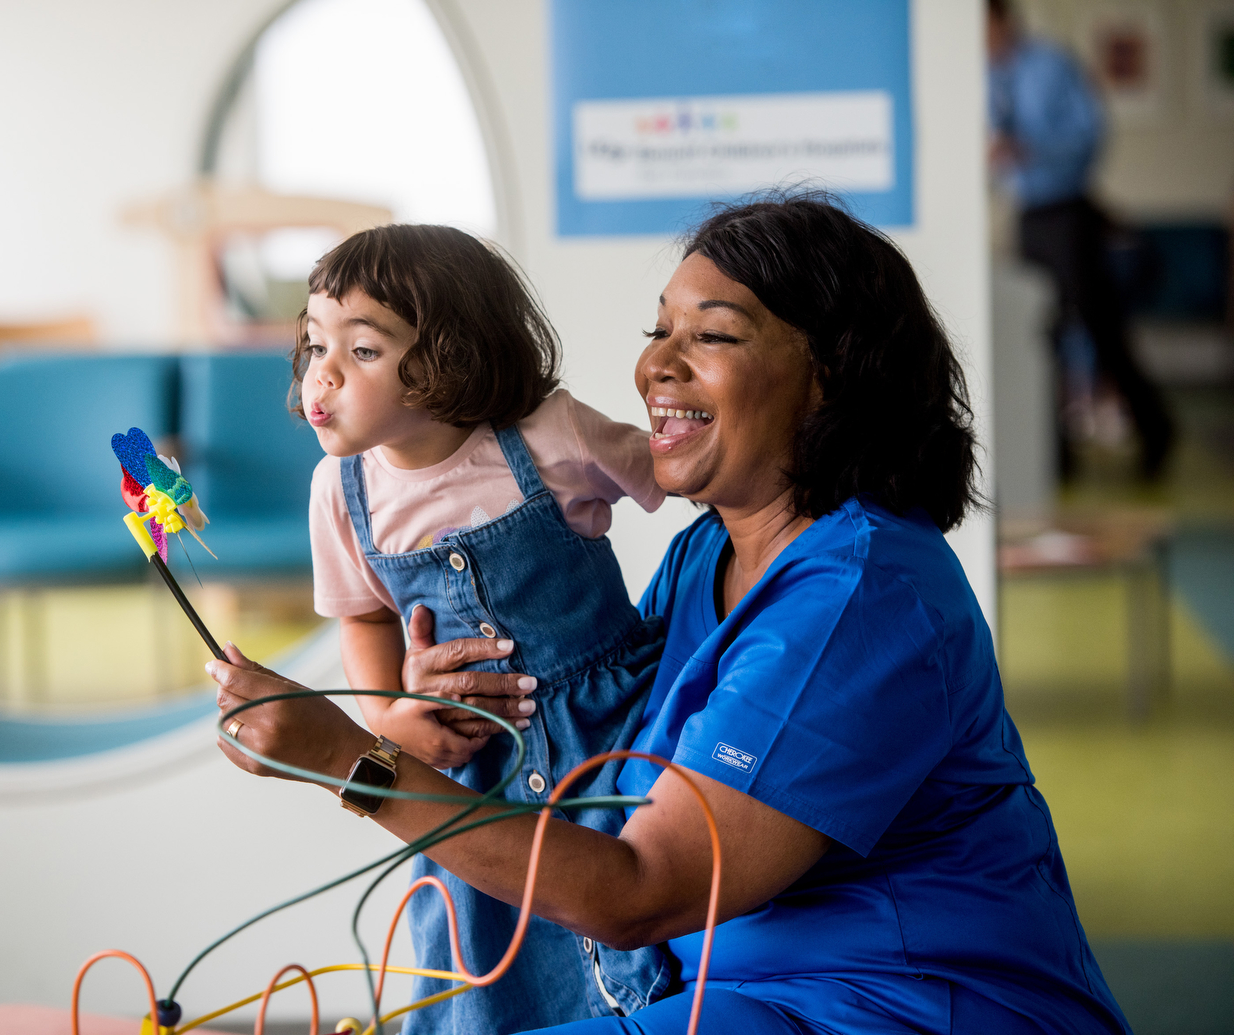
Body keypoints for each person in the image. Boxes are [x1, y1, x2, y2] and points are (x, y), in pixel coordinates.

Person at [213, 197, 1131, 1034]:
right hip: (721, 990)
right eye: (660, 329)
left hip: (894, 1000)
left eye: (714, 336)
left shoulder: (858, 595)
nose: (657, 363)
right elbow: (615, 755)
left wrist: (353, 760)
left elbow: (640, 889)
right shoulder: (711, 554)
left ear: (830, 376)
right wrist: (428, 698)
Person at [295, 223, 671, 1033]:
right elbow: (363, 614)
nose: (320, 375)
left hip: (613, 742)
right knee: (481, 972)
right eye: (313, 343)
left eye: (361, 351)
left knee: (641, 942)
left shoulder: (551, 435)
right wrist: (389, 716)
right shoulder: (341, 489)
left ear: (445, 358)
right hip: (478, 780)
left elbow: (681, 474)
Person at [987, 0, 1175, 479]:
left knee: (1098, 326)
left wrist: (1034, 149)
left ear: (1001, 20)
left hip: (1069, 213)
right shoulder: (987, 78)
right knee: (1040, 331)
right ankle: (1054, 451)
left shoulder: (1051, 65)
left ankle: (1156, 430)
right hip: (1027, 215)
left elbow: (1091, 135)